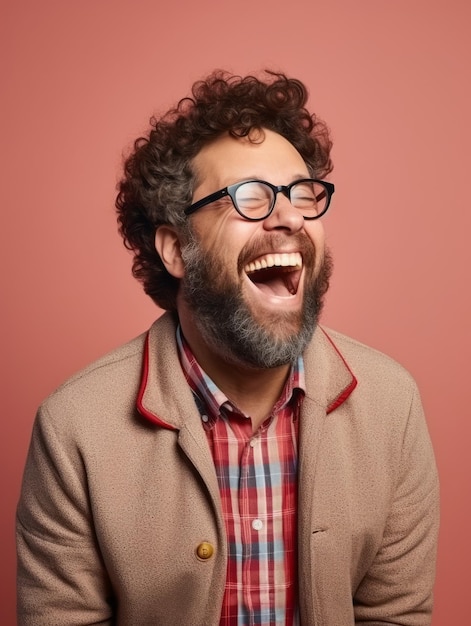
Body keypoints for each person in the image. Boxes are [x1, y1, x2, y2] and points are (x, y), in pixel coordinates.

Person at [16, 70, 439, 626]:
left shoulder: (392, 405)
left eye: (301, 195)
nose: (289, 217)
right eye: (250, 198)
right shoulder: (74, 428)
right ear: (175, 250)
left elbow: (397, 614)